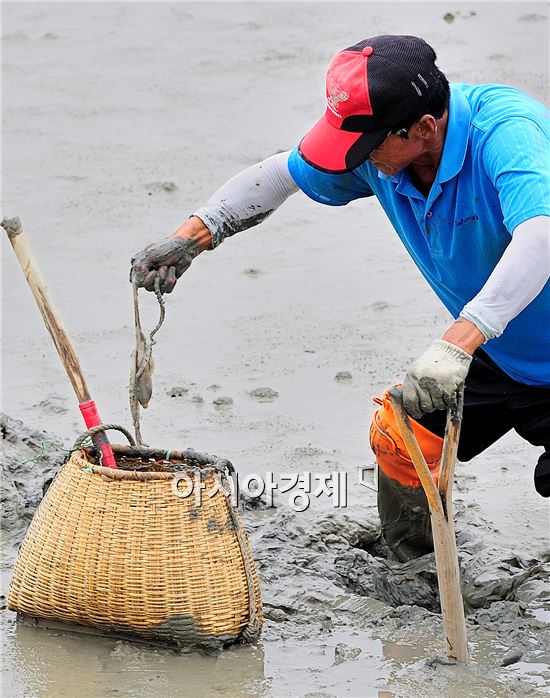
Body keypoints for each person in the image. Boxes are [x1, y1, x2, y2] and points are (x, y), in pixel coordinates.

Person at [130, 35, 550, 560]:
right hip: (502, 344)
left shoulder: (508, 134)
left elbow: (540, 234)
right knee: (403, 437)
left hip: (491, 329)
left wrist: (459, 341)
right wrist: (194, 236)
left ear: (423, 127)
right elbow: (283, 174)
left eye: (371, 145)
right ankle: (417, 569)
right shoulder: (385, 158)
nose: (362, 160)